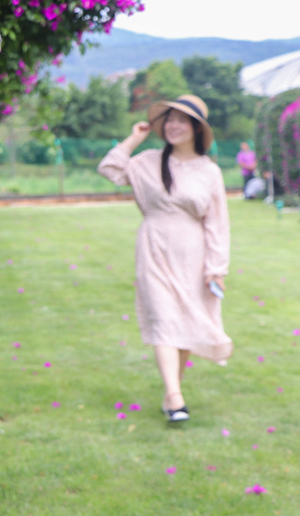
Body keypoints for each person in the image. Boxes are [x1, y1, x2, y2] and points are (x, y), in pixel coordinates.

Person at [97, 95, 232, 422]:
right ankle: (174, 398)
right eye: (170, 119)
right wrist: (135, 138)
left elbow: (217, 223)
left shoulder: (209, 171)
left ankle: (173, 392)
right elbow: (109, 168)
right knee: (163, 317)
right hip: (154, 247)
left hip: (193, 254)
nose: (173, 125)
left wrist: (216, 269)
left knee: (183, 320)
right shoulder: (147, 162)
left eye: (182, 120)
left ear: (196, 128)